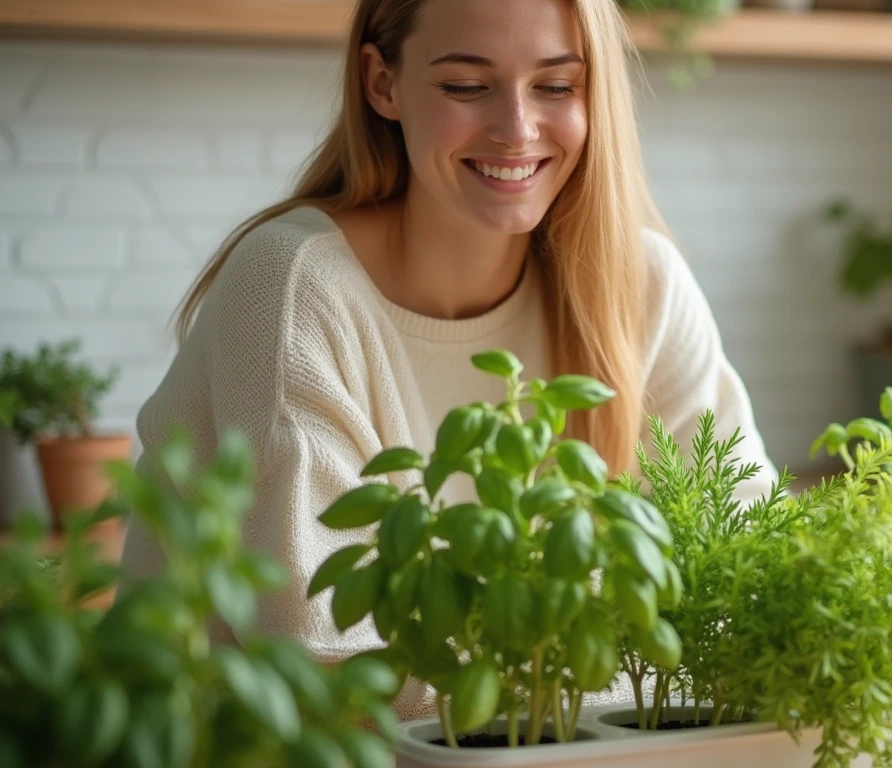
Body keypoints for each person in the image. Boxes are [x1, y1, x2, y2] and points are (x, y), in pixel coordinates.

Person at [120, 0, 776, 718]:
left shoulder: (641, 284)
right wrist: (638, 685)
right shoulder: (290, 287)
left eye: (556, 87)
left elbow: (743, 569)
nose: (516, 129)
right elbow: (332, 661)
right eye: (467, 86)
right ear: (383, 84)